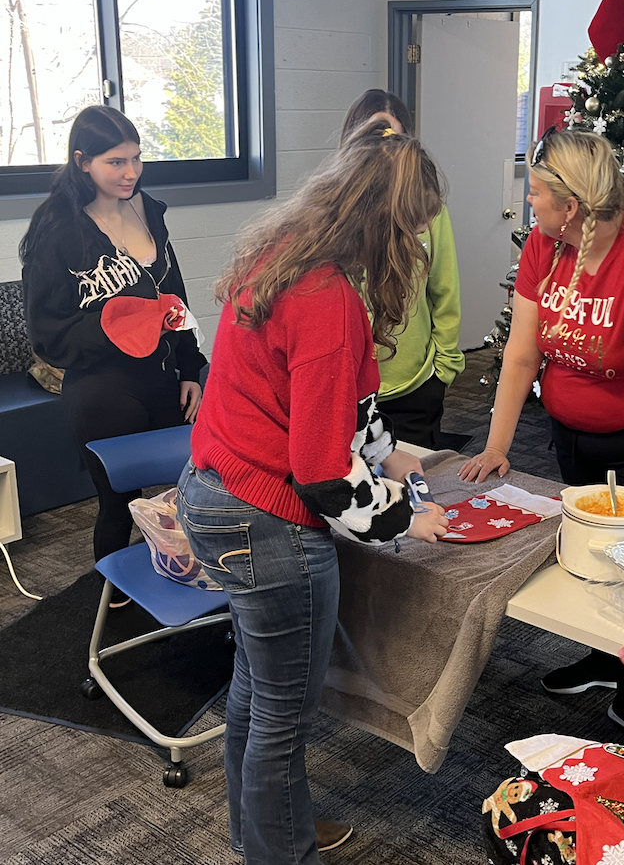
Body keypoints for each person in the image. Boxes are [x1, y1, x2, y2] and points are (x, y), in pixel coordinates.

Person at [176, 119, 450, 865]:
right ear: (385, 226)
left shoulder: (280, 254)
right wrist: (404, 518)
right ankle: (281, 850)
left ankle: (265, 829)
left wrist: (395, 460)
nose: (416, 245)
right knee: (284, 716)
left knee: (256, 688)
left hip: (215, 493)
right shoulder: (328, 301)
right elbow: (323, 472)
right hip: (267, 523)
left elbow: (338, 408)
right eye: (413, 230)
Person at [458, 126, 624, 749]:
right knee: (591, 556)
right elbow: (521, 355)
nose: (528, 202)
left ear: (571, 204)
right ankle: (608, 660)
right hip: (577, 428)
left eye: (536, 193)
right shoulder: (545, 246)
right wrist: (496, 446)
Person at [19, 105, 206, 593]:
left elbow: (175, 297)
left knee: (191, 490)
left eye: (136, 159)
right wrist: (122, 326)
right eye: (116, 162)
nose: (130, 172)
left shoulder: (150, 211)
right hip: (102, 391)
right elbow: (47, 334)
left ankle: (189, 582)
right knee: (118, 503)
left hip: (165, 379)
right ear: (83, 162)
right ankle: (115, 603)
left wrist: (191, 368)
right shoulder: (57, 231)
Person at [340, 89, 464, 448]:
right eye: (376, 137)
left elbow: (445, 290)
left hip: (415, 384)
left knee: (419, 474)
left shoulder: (426, 205)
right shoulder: (335, 218)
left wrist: (442, 370)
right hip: (350, 388)